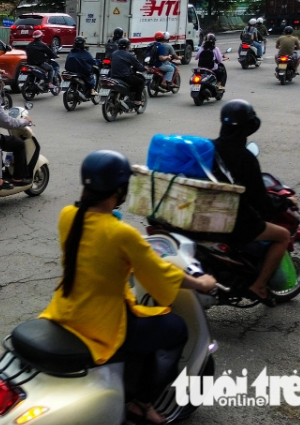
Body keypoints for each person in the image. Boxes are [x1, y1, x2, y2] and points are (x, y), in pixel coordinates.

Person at [40, 150, 217, 425]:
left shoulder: (68, 215)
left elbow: (98, 249)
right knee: (174, 328)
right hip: (103, 322)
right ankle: (143, 404)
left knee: (150, 326)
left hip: (66, 309)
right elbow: (161, 275)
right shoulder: (122, 234)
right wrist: (201, 282)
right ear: (120, 190)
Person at [213, 101, 295, 302]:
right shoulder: (245, 158)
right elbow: (260, 201)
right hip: (235, 223)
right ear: (248, 127)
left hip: (206, 215)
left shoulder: (208, 148)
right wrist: (284, 203)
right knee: (283, 236)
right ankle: (258, 286)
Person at [110, 38, 147, 105]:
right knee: (140, 82)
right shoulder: (129, 55)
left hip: (113, 76)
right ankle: (137, 101)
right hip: (124, 77)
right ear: (127, 46)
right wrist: (144, 68)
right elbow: (138, 66)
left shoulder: (114, 53)